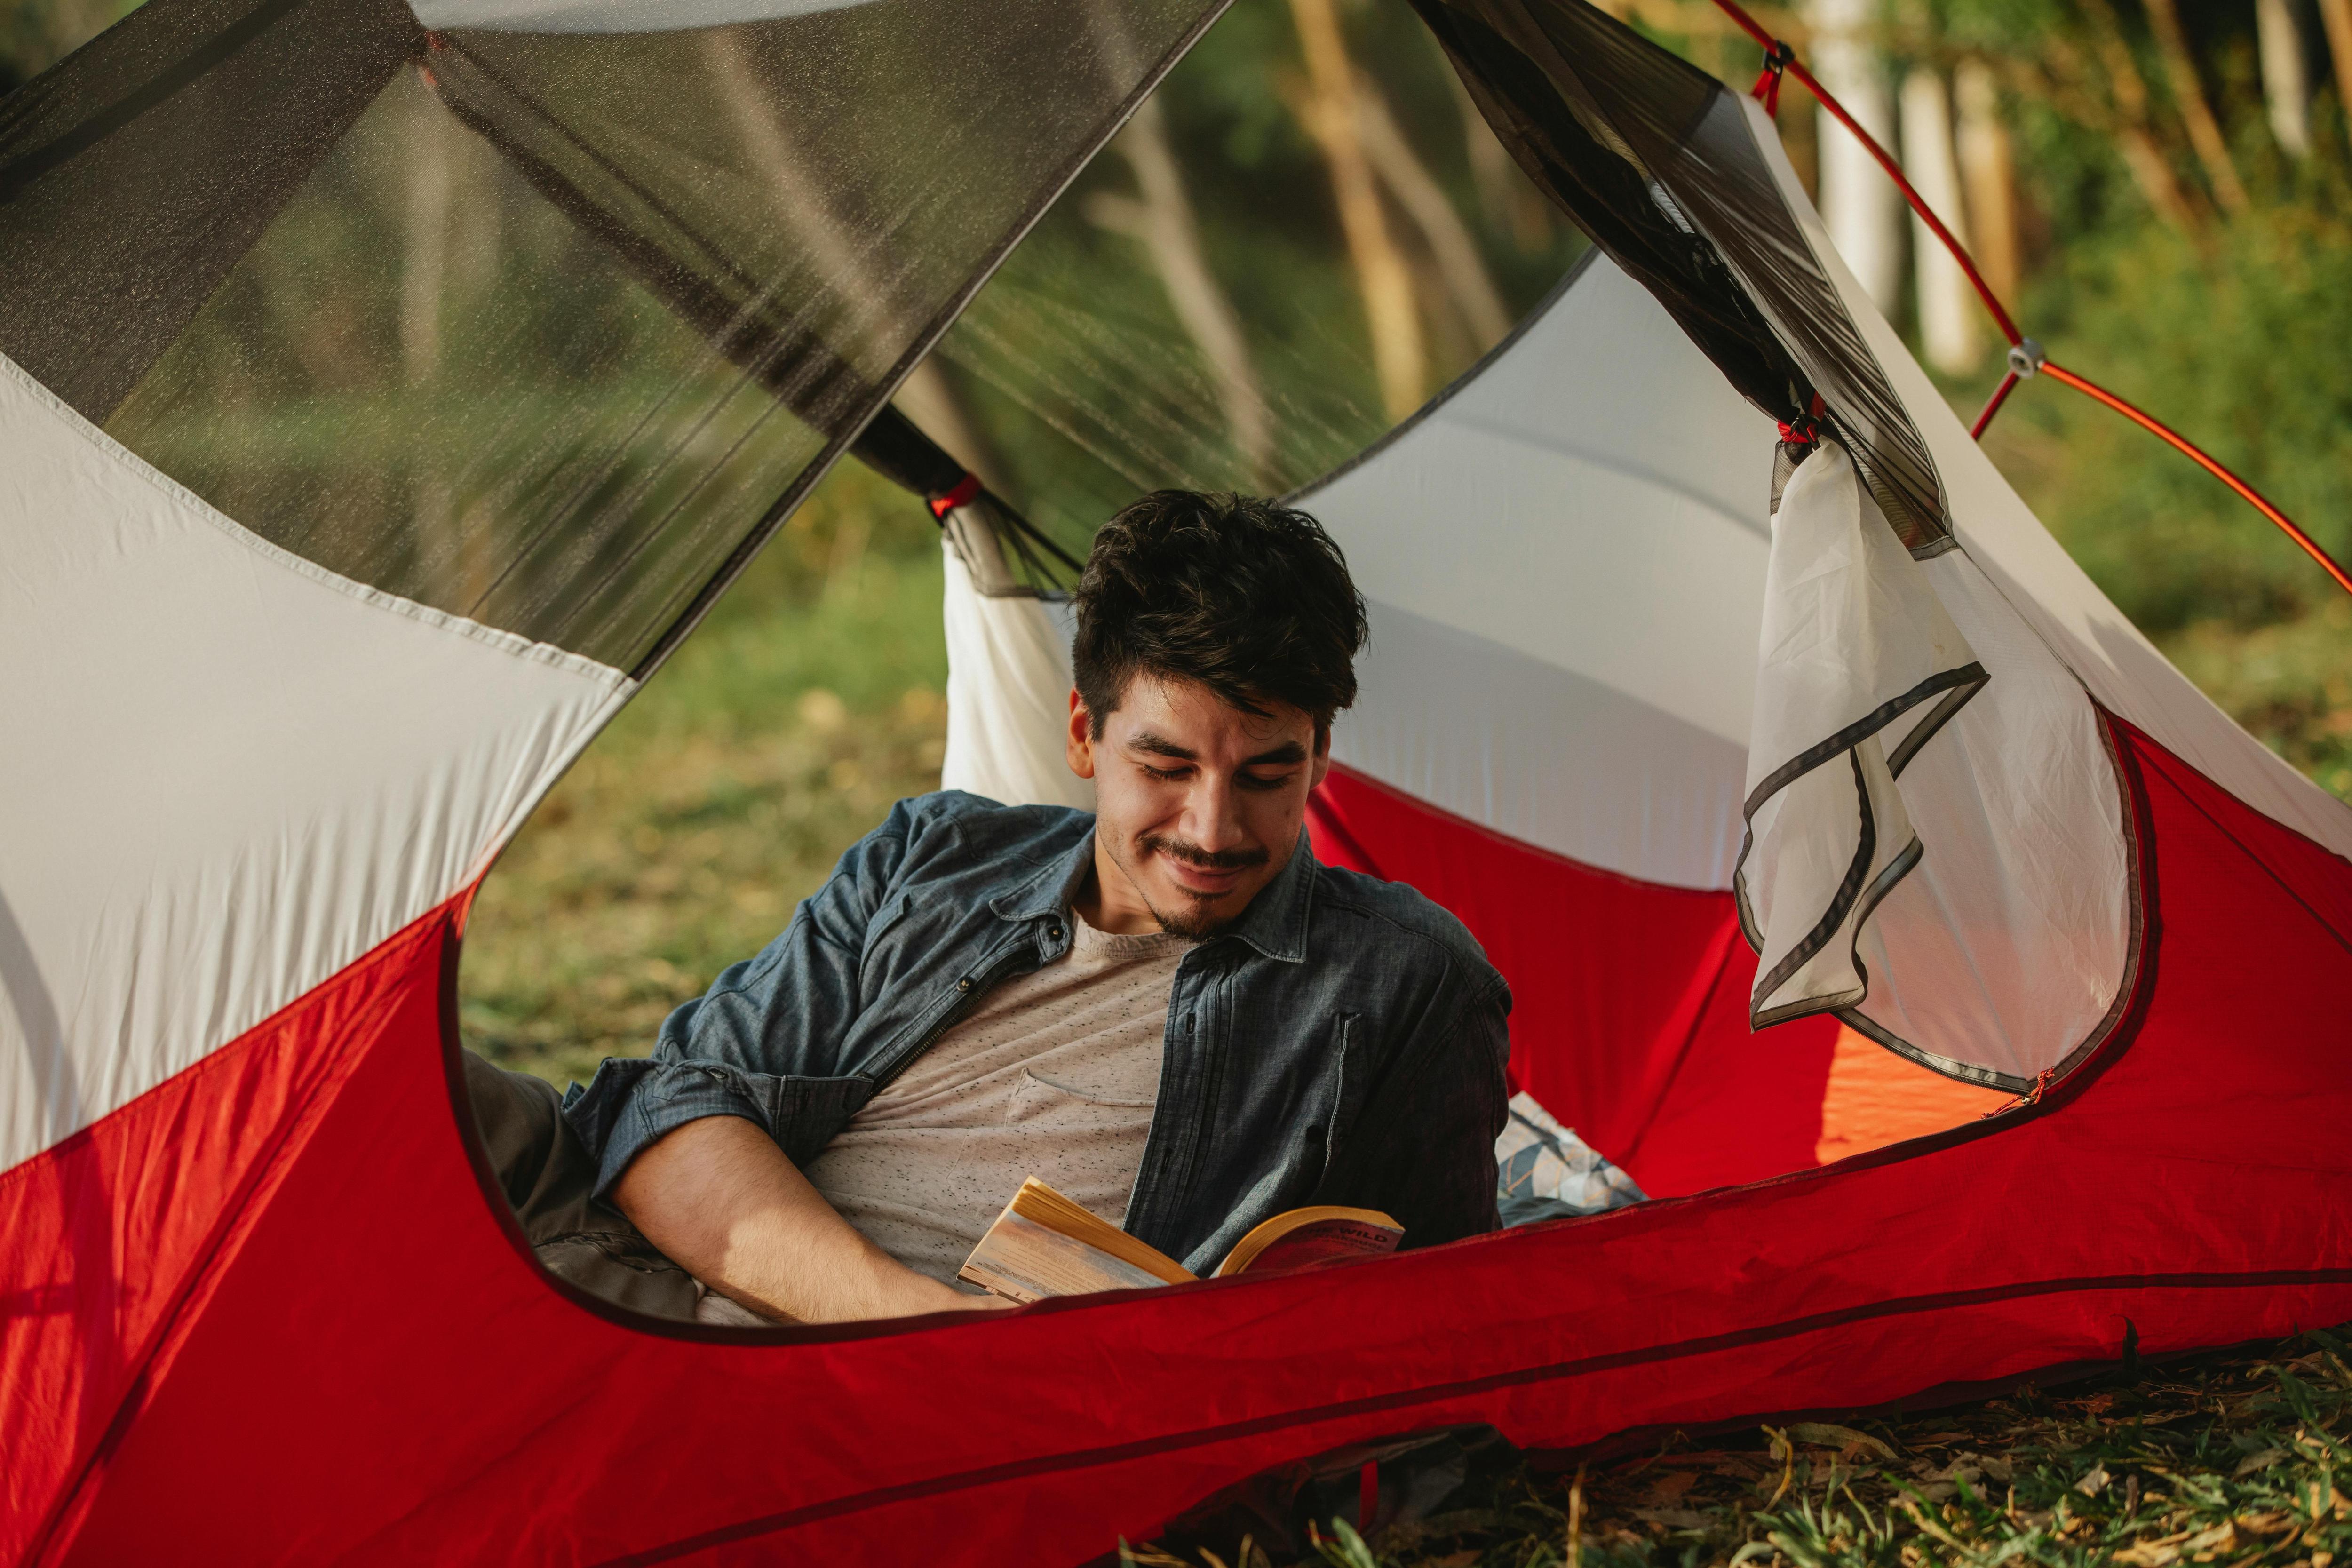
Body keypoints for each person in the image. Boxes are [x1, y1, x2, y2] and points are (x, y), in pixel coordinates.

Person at [469, 490, 1510, 1325]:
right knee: (416, 1084)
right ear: (1084, 736)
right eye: (1166, 764)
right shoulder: (934, 854)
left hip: (796, 1376)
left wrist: (954, 1367)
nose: (1211, 827)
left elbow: (1430, 1323)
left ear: (1319, 757)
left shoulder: (1396, 982)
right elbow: (673, 1112)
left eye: (1266, 775)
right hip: (636, 1233)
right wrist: (913, 1317)